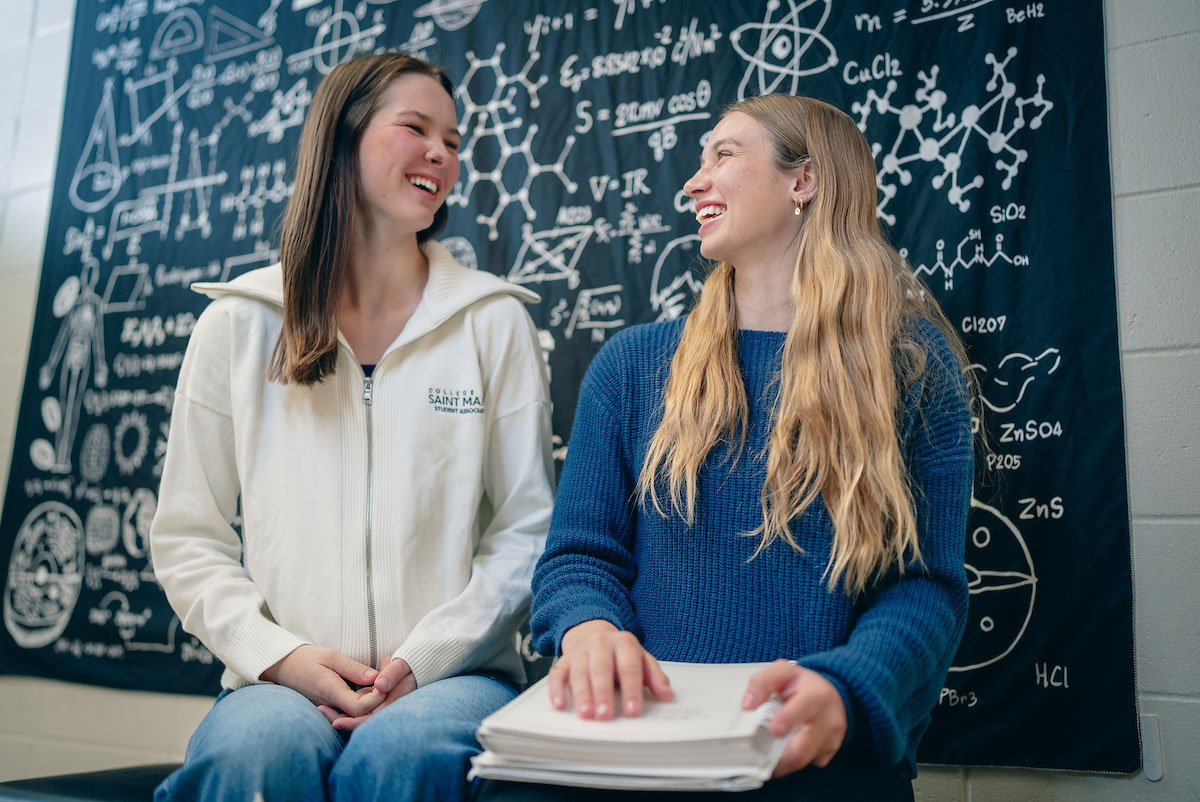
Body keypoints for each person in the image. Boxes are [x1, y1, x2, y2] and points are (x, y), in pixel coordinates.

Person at [494, 94, 975, 801]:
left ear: (802, 180)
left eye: (723, 155)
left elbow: (925, 585)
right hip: (639, 732)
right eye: (699, 160)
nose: (693, 182)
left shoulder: (911, 365)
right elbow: (579, 556)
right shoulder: (632, 367)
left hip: (810, 741)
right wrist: (589, 628)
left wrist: (848, 690)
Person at [150, 52, 555, 802]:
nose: (442, 152)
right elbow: (187, 537)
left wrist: (428, 658)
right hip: (276, 681)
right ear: (344, 137)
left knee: (400, 756)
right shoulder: (236, 325)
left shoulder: (494, 322)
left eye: (454, 140)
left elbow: (530, 529)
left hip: (458, 680)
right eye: (416, 128)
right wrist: (281, 656)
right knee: (256, 755)